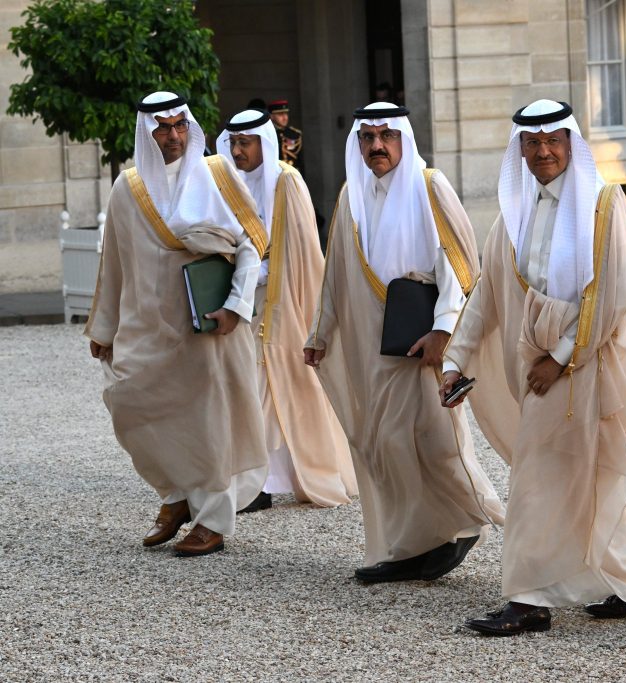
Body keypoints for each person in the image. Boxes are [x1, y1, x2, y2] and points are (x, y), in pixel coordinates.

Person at [441, 99, 626, 636]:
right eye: (532, 143)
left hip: (583, 368)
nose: (543, 153)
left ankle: (528, 599)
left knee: (536, 481)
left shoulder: (604, 207)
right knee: (582, 476)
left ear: (571, 144)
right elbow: (486, 296)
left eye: (554, 142)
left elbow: (612, 296)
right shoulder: (513, 213)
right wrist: (455, 358)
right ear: (519, 148)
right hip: (537, 368)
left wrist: (562, 357)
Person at [304, 101, 504, 583]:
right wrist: (320, 332)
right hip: (368, 348)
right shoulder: (352, 194)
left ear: (403, 139)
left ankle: (474, 517)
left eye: (386, 136)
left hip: (421, 342)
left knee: (432, 442)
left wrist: (443, 331)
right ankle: (415, 543)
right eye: (367, 138)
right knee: (381, 446)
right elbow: (338, 274)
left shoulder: (429, 186)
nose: (377, 146)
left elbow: (457, 266)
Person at [85, 92, 270, 557]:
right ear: (147, 132)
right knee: (129, 406)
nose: (172, 136)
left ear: (190, 127)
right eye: (162, 128)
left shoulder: (217, 174)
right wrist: (104, 330)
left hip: (206, 325)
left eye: (179, 126)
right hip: (147, 326)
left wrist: (236, 305)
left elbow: (252, 243)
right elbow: (115, 265)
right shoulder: (128, 187)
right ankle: (174, 494)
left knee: (206, 422)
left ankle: (211, 520)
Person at [216, 108, 358, 512]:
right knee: (245, 389)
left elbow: (301, 249)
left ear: (264, 142)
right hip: (238, 304)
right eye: (235, 143)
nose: (239, 151)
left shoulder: (286, 181)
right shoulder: (226, 183)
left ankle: (268, 480)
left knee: (279, 386)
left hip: (283, 301)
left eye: (246, 143)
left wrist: (260, 275)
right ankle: (255, 480)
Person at [268, 99, 303, 174]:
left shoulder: (294, 134)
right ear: (271, 116)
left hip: (293, 174)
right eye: (280, 114)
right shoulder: (268, 134)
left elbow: (300, 161)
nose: (285, 118)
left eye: (286, 114)